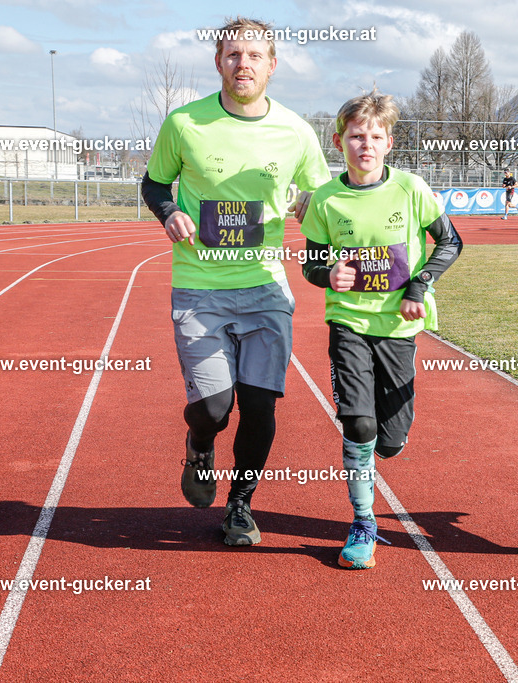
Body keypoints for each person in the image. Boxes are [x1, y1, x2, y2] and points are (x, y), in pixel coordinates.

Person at [141, 16, 331, 546]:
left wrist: (311, 202)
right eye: (232, 55)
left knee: (261, 405)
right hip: (199, 285)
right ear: (218, 61)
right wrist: (168, 213)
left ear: (272, 64)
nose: (242, 64)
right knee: (215, 408)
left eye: (253, 56)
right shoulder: (184, 123)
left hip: (267, 287)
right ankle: (200, 444)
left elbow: (323, 198)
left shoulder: (296, 131)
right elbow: (155, 183)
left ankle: (240, 507)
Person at [301, 88, 462, 569]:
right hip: (347, 322)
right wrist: (327, 274)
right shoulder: (326, 199)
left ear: (389, 142)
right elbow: (310, 264)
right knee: (359, 424)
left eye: (374, 136)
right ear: (339, 141)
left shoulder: (411, 189)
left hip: (398, 327)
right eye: (355, 136)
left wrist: (420, 286)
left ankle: (386, 441)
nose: (364, 144)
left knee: (389, 441)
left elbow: (450, 243)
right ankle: (363, 522)